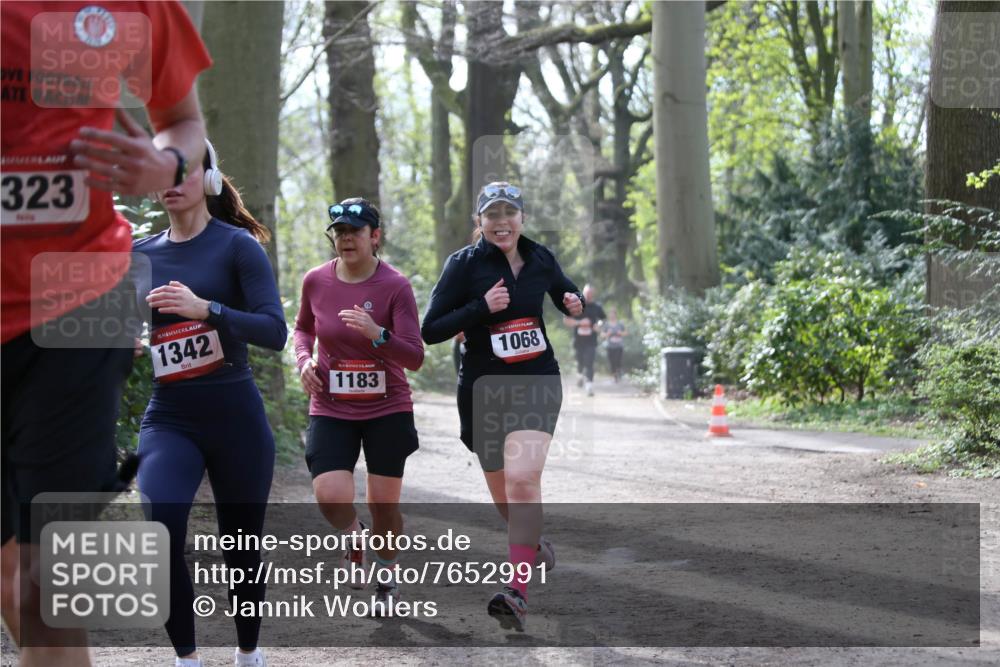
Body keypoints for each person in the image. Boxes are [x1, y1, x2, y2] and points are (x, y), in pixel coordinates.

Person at [1, 2, 210, 665]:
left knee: (47, 579)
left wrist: (165, 166)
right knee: (13, 575)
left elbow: (182, 121)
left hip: (79, 306)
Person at [133, 139, 285, 667]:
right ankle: (187, 659)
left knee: (241, 543)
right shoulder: (141, 255)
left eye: (186, 170)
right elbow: (115, 334)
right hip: (170, 417)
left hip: (236, 417)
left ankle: (248, 653)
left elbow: (274, 330)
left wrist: (207, 309)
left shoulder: (238, 246)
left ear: (210, 179)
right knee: (161, 525)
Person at [421, 182, 584, 631]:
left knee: (522, 480)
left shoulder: (540, 258)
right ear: (480, 222)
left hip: (537, 382)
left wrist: (574, 302)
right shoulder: (463, 265)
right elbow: (430, 329)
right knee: (503, 493)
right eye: (491, 214)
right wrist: (481, 306)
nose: (501, 221)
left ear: (522, 219)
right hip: (483, 389)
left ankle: (516, 591)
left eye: (509, 212)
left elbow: (566, 294)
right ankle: (531, 543)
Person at [294, 198, 424, 614]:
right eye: (339, 231)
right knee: (330, 495)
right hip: (331, 404)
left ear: (375, 236)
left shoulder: (395, 286)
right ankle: (354, 539)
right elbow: (302, 329)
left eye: (355, 231)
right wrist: (304, 361)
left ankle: (386, 574)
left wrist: (378, 334)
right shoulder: (315, 280)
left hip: (387, 407)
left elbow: (414, 356)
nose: (346, 238)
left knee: (384, 508)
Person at [564, 284, 606, 396]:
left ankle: (589, 386)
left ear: (593, 294)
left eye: (590, 294)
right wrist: (580, 323)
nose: (588, 295)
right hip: (578, 341)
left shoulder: (597, 307)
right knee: (580, 362)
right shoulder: (576, 305)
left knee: (590, 362)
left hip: (591, 340)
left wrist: (599, 325)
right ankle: (579, 375)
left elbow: (602, 320)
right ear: (583, 293)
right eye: (586, 293)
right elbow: (566, 320)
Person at [602, 306, 627, 382]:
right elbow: (602, 334)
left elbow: (626, 332)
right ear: (609, 315)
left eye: (613, 314)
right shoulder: (606, 324)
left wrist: (620, 333)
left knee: (618, 361)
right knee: (612, 361)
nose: (612, 316)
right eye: (611, 314)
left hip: (619, 346)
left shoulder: (620, 324)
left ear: (616, 315)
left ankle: (618, 372)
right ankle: (615, 375)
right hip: (610, 346)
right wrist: (607, 334)